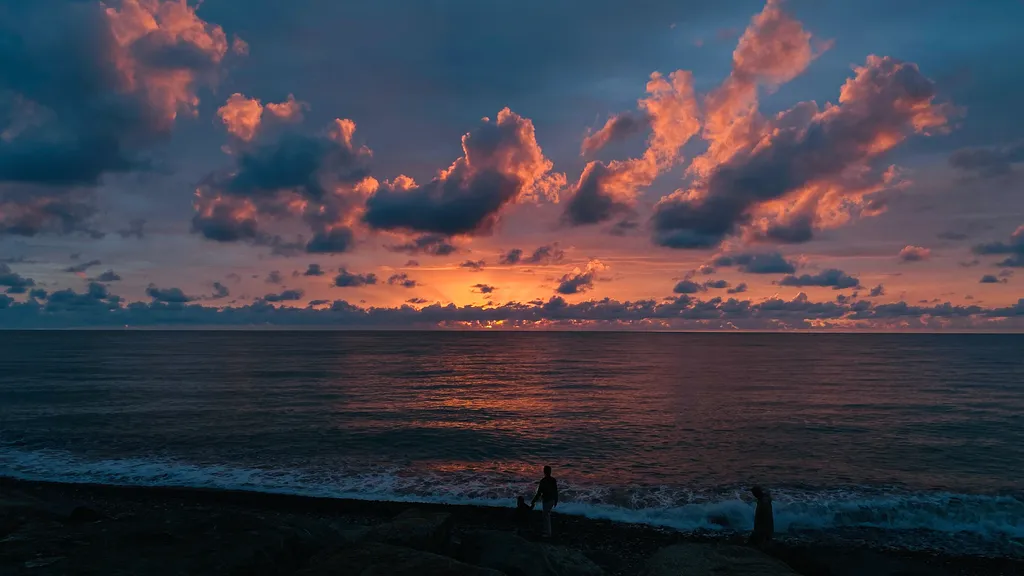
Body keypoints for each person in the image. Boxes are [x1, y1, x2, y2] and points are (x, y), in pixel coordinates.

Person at [530, 465, 558, 537]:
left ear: (544, 472)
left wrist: (533, 500)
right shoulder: (553, 480)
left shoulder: (543, 481)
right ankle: (546, 531)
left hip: (547, 500)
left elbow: (539, 493)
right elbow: (556, 491)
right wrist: (556, 500)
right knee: (546, 515)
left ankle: (548, 533)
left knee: (546, 516)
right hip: (551, 500)